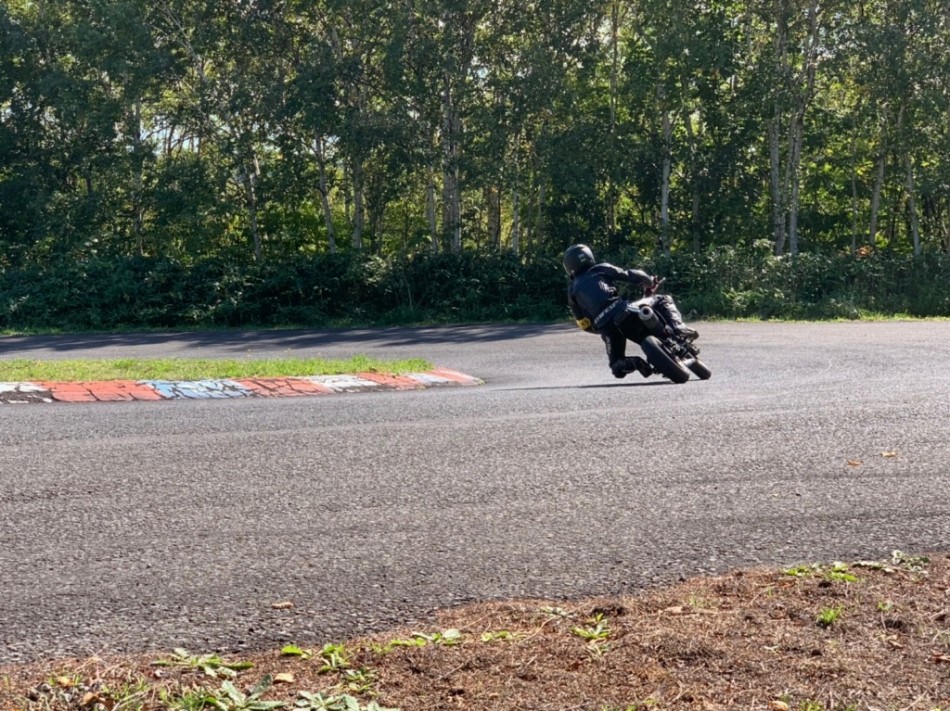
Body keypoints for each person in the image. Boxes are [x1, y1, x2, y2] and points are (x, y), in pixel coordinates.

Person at [562, 243, 697, 379]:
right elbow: (630, 275)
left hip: (606, 327)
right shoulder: (599, 269)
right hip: (624, 311)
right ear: (588, 256)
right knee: (663, 299)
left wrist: (603, 329)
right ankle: (679, 328)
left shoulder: (571, 290)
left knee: (617, 367)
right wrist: (649, 281)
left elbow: (583, 324)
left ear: (569, 267)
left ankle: (636, 363)